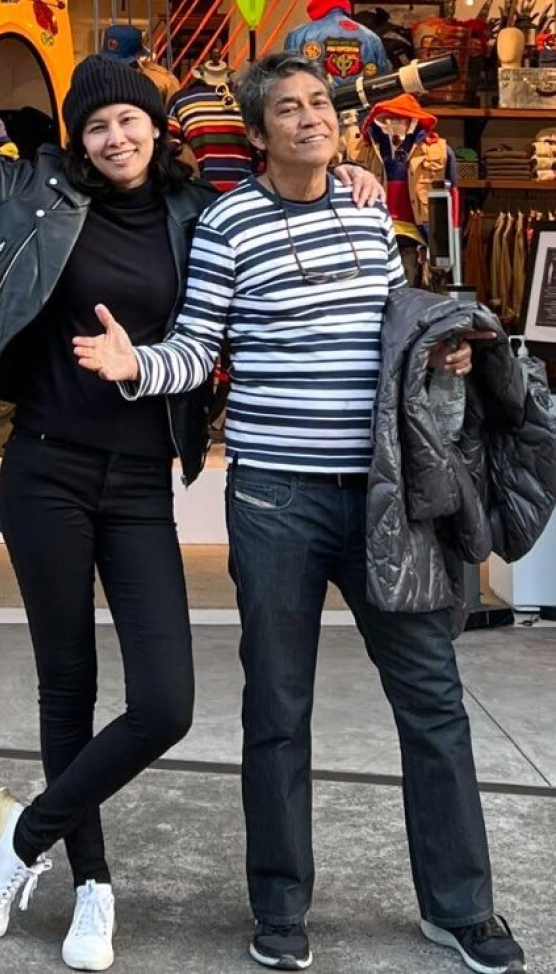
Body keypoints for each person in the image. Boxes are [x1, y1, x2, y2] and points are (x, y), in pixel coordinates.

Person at [0, 47, 384, 971]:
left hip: (138, 485)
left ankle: (21, 835)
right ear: (77, 141)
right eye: (95, 126)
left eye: (128, 119)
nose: (115, 137)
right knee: (69, 685)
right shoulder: (31, 191)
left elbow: (280, 196)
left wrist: (351, 179)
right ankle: (92, 884)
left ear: (155, 128)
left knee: (165, 703)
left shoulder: (198, 212)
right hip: (44, 470)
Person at [73, 54, 526, 974]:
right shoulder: (227, 223)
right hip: (275, 500)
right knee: (278, 708)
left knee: (432, 699)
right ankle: (280, 907)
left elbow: (391, 332)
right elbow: (197, 347)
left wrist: (440, 354)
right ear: (258, 133)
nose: (313, 117)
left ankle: (461, 907)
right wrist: (137, 366)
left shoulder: (370, 213)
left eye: (322, 103)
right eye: (290, 108)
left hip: (385, 498)